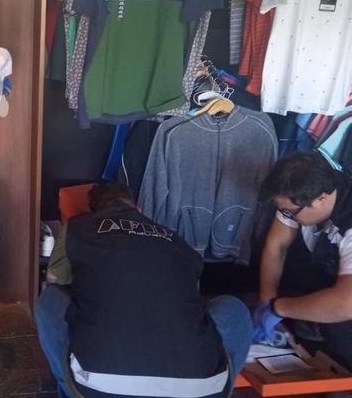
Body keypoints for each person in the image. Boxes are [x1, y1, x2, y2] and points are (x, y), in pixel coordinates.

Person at [36, 182, 252, 398]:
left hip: (99, 387)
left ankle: (68, 391)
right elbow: (192, 301)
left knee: (51, 298)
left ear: (94, 210)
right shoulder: (176, 241)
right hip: (200, 389)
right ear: (138, 209)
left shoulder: (78, 227)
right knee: (232, 308)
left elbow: (55, 280)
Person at [254, 151, 352, 369]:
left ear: (321, 199)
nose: (286, 216)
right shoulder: (301, 193)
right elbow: (277, 246)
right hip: (328, 287)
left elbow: (346, 304)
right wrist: (266, 300)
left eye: (290, 213)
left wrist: (278, 308)